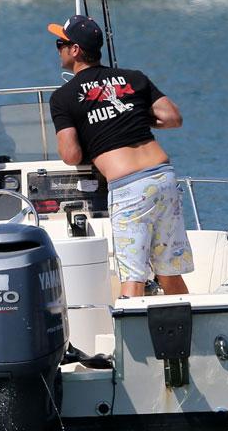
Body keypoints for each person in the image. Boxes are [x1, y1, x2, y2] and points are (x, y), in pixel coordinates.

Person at [48, 15, 193, 298]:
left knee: (133, 278)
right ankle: (191, 337)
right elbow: (173, 117)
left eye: (60, 43)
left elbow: (70, 154)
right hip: (164, 178)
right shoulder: (134, 77)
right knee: (168, 272)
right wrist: (131, 114)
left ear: (75, 50)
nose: (58, 49)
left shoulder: (63, 97)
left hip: (130, 189)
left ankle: (128, 342)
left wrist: (92, 133)